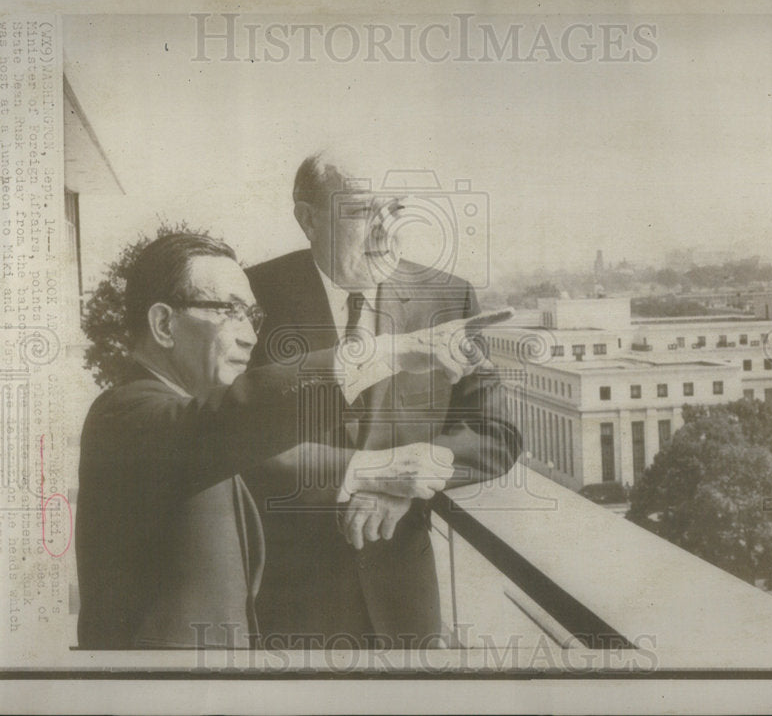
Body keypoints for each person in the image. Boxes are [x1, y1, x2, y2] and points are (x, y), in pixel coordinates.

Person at [75, 233, 482, 649]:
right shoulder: (125, 415)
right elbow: (236, 418)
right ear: (164, 324)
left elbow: (241, 445)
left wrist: (377, 473)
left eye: (251, 315)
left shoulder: (181, 424)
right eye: (228, 311)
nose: (250, 336)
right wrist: (390, 354)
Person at [245, 151, 522, 648]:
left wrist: (410, 477)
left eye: (393, 209)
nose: (384, 229)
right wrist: (375, 471)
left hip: (404, 603)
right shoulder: (252, 298)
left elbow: (497, 434)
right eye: (361, 211)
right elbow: (229, 441)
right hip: (289, 604)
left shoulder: (447, 298)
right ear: (308, 219)